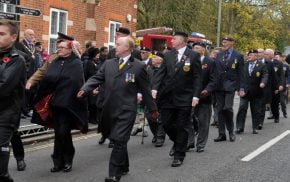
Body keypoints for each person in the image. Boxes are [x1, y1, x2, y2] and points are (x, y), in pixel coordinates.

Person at [78, 36, 157, 182]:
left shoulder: (138, 66)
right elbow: (96, 78)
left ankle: (114, 174)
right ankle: (124, 166)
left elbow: (146, 90)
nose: (115, 47)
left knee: (119, 140)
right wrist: (85, 88)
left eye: (118, 44)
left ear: (127, 48)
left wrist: (153, 109)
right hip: (109, 109)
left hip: (127, 110)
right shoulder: (108, 64)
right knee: (117, 139)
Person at [32, 38, 88, 173]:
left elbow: (75, 82)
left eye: (62, 47)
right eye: (58, 47)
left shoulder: (76, 63)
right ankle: (58, 161)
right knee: (58, 133)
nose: (59, 49)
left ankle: (68, 158)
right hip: (54, 103)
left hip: (68, 104)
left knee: (63, 132)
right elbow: (47, 79)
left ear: (69, 49)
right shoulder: (55, 61)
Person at [152, 31, 202, 167]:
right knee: (166, 124)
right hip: (168, 97)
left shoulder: (194, 55)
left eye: (174, 39)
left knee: (182, 126)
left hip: (185, 97)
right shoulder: (168, 55)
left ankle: (179, 155)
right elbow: (161, 73)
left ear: (182, 40)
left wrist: (196, 95)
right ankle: (179, 142)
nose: (171, 41)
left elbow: (198, 77)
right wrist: (154, 89)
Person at [0, 20, 26, 182]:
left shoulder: (17, 60)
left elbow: (3, 87)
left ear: (13, 37)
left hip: (6, 114)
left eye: (2, 34)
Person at [187, 42, 217, 152]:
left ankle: (201, 144)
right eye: (193, 48)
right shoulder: (187, 60)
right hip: (189, 95)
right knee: (187, 120)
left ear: (203, 50)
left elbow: (214, 79)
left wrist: (207, 90)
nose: (194, 50)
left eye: (197, 48)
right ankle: (189, 142)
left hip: (204, 96)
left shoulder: (210, 62)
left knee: (203, 122)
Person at [214, 36, 244, 142]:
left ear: (232, 43)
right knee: (220, 110)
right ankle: (221, 134)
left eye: (226, 42)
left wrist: (241, 88)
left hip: (231, 85)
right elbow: (215, 71)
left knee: (228, 108)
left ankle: (231, 132)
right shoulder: (219, 55)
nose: (224, 44)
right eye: (223, 42)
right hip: (219, 86)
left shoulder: (238, 55)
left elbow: (241, 73)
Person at [235, 50, 268, 134]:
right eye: (248, 55)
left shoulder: (262, 65)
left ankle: (255, 127)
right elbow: (239, 78)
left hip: (256, 92)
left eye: (251, 55)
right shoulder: (244, 65)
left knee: (255, 110)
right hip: (244, 91)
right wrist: (240, 89)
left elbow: (265, 75)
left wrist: (263, 82)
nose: (249, 56)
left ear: (256, 56)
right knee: (242, 108)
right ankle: (239, 127)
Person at [264, 49, 285, 123]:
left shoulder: (278, 63)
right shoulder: (263, 63)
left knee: (274, 103)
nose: (264, 55)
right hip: (265, 86)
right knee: (262, 102)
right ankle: (259, 120)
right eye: (264, 54)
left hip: (275, 86)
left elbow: (282, 75)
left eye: (266, 54)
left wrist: (281, 85)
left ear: (271, 55)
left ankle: (276, 116)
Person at [274, 52, 289, 118]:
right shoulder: (273, 65)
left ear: (280, 58)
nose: (275, 58)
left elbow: (288, 75)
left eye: (277, 57)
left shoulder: (285, 66)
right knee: (274, 101)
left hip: (283, 85)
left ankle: (284, 112)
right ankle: (274, 114)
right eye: (275, 57)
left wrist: (288, 83)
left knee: (282, 101)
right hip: (275, 86)